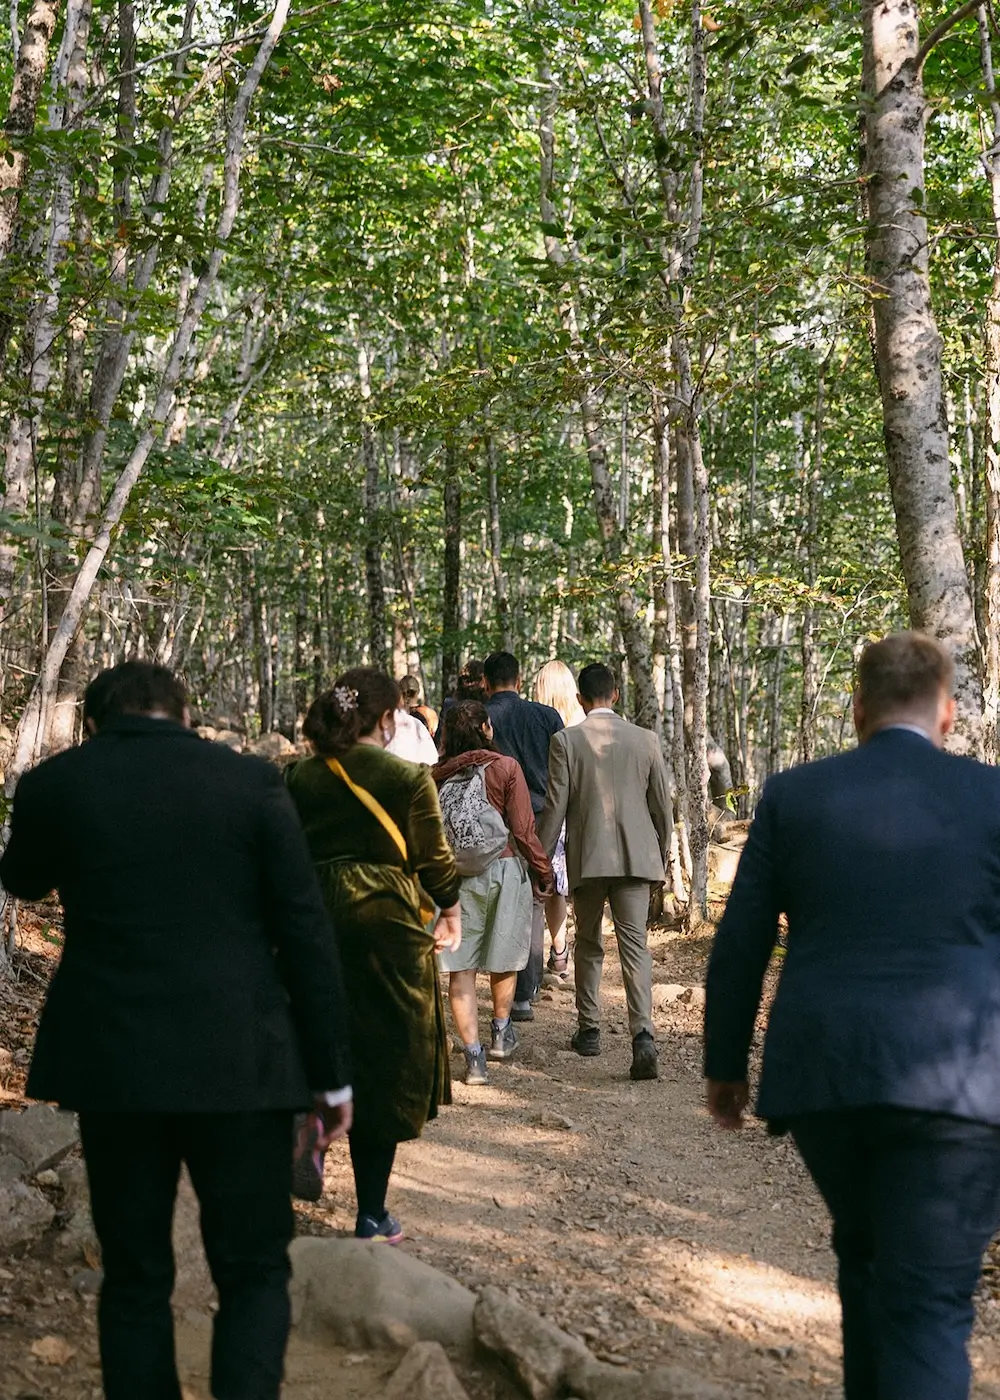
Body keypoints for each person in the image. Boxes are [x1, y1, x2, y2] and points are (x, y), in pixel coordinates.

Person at [0, 661, 352, 1400]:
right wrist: (332, 1072)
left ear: (95, 721)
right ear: (184, 712)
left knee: (133, 1275)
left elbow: (22, 880)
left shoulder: (56, 784)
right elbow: (306, 929)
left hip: (114, 1062)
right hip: (243, 1060)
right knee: (254, 1267)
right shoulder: (252, 782)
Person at [703, 631, 1000, 1400]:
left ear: (858, 706)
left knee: (865, 1263)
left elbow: (740, 941)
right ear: (949, 713)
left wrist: (726, 1068)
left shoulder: (795, 795)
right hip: (962, 1082)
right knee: (928, 1306)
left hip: (826, 1076)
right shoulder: (992, 797)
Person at [286, 669, 461, 1246]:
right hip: (386, 923)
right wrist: (450, 909)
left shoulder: (298, 776)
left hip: (310, 919)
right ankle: (371, 1214)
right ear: (387, 719)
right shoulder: (407, 777)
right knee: (384, 1058)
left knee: (313, 1031)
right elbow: (434, 857)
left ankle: (309, 1124)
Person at [537, 662, 671, 1082]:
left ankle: (590, 1029)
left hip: (589, 859)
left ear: (580, 698)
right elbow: (662, 808)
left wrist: (540, 859)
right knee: (635, 947)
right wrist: (660, 854)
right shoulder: (645, 740)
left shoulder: (566, 741)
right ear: (615, 695)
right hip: (635, 859)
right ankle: (643, 1035)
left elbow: (556, 807)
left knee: (589, 942)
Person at [432, 701, 554, 1085]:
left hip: (454, 878)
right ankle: (501, 1034)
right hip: (502, 870)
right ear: (487, 728)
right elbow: (523, 830)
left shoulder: (436, 776)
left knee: (460, 966)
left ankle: (473, 1059)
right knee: (503, 956)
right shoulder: (505, 768)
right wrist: (543, 872)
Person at [484, 651, 564, 1020]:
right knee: (535, 898)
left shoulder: (480, 718)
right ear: (518, 681)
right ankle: (524, 994)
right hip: (541, 816)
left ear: (486, 683)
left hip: (494, 819)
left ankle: (502, 987)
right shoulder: (546, 717)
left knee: (495, 898)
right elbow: (564, 770)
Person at [532, 660, 585, 980]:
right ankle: (563, 951)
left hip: (547, 809)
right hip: (579, 811)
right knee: (566, 885)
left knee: (547, 884)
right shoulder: (581, 722)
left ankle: (558, 951)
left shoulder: (537, 719)